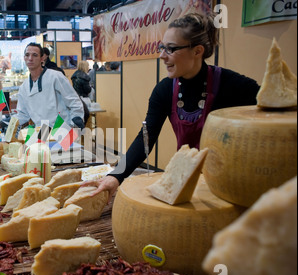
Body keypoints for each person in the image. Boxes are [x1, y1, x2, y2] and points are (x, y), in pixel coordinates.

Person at [88, 13, 260, 199]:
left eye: (171, 49)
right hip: (186, 180)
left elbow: (272, 108)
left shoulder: (231, 84)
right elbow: (146, 137)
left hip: (226, 183)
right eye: (162, 47)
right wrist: (116, 175)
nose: (162, 56)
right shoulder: (164, 90)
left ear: (197, 51)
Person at [16, 43, 84, 129]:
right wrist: (3, 124)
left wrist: (76, 121)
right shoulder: (24, 87)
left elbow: (74, 101)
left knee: (61, 142)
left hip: (63, 129)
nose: (30, 58)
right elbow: (22, 115)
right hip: (42, 131)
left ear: (42, 58)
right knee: (42, 143)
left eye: (35, 55)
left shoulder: (55, 77)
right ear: (24, 58)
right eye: (27, 55)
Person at [71, 60, 92, 125]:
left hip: (77, 98)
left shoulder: (74, 76)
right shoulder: (85, 77)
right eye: (88, 66)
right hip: (85, 99)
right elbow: (87, 90)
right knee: (87, 115)